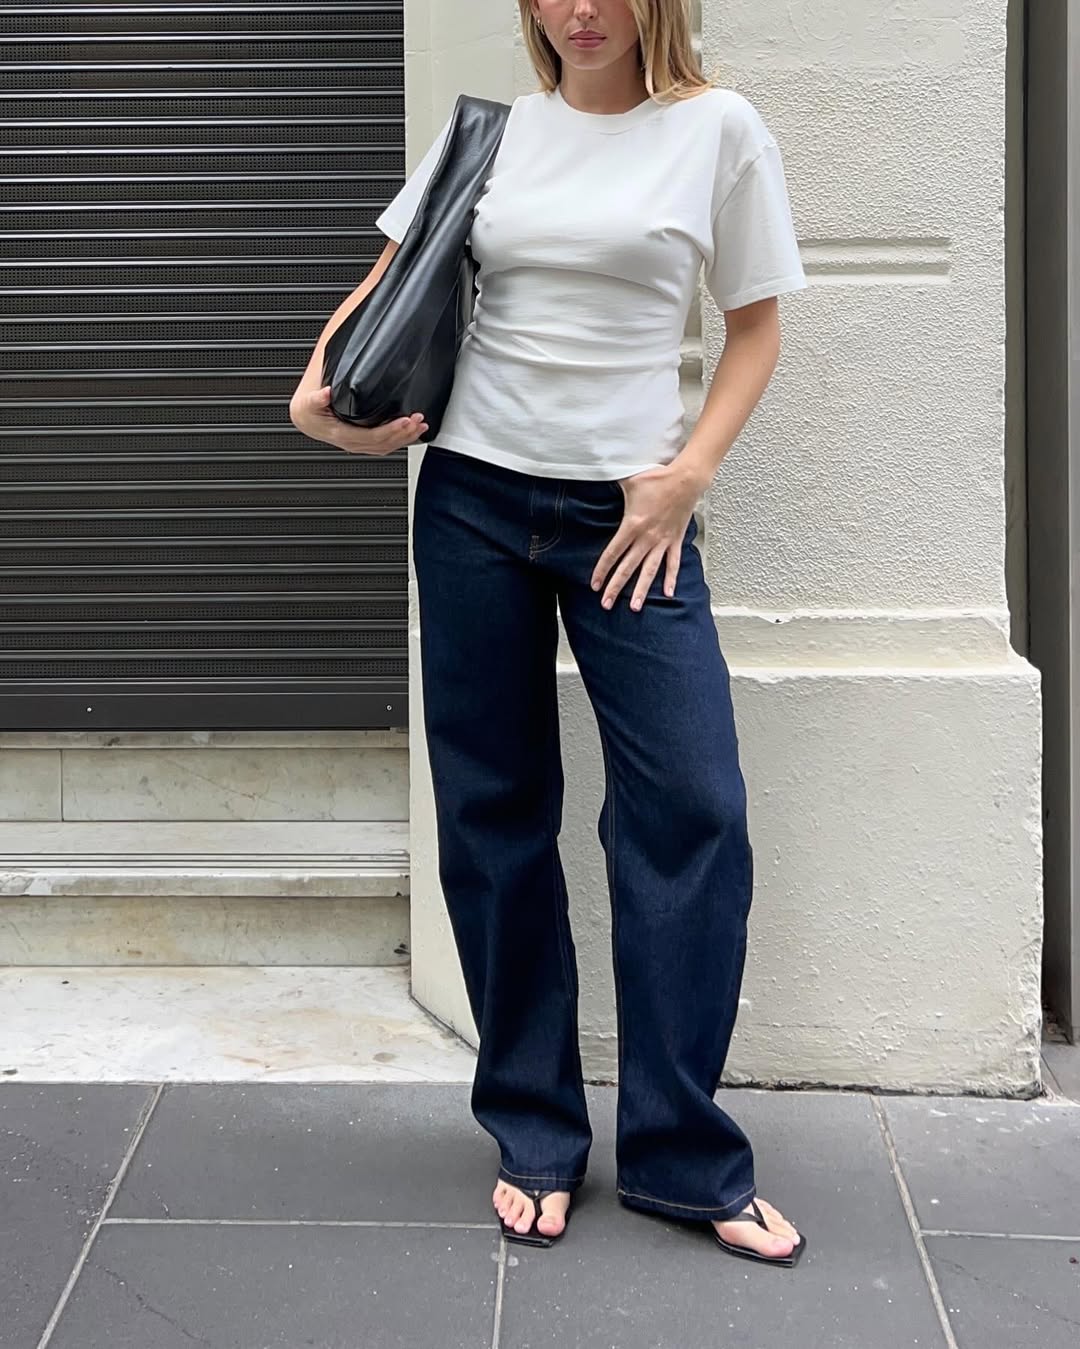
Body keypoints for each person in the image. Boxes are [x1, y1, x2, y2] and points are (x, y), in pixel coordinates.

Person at [290, 0, 808, 1267]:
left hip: (630, 519)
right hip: (470, 500)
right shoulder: (495, 132)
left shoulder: (717, 130)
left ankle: (683, 1150)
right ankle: (533, 1125)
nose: (581, 10)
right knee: (494, 812)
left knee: (693, 807)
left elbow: (754, 326)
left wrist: (687, 475)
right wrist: (321, 400)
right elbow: (386, 285)